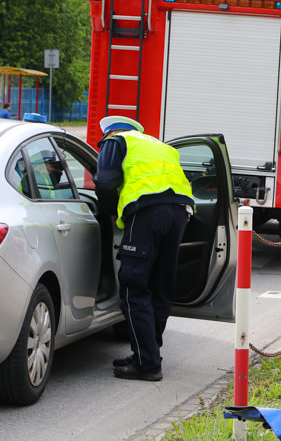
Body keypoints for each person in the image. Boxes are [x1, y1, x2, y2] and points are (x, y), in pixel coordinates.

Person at [94, 115, 194, 381]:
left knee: (133, 286)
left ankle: (147, 364)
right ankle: (147, 354)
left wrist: (112, 212)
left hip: (147, 211)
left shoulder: (116, 141)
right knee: (161, 288)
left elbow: (103, 181)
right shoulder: (160, 146)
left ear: (109, 132)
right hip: (180, 213)